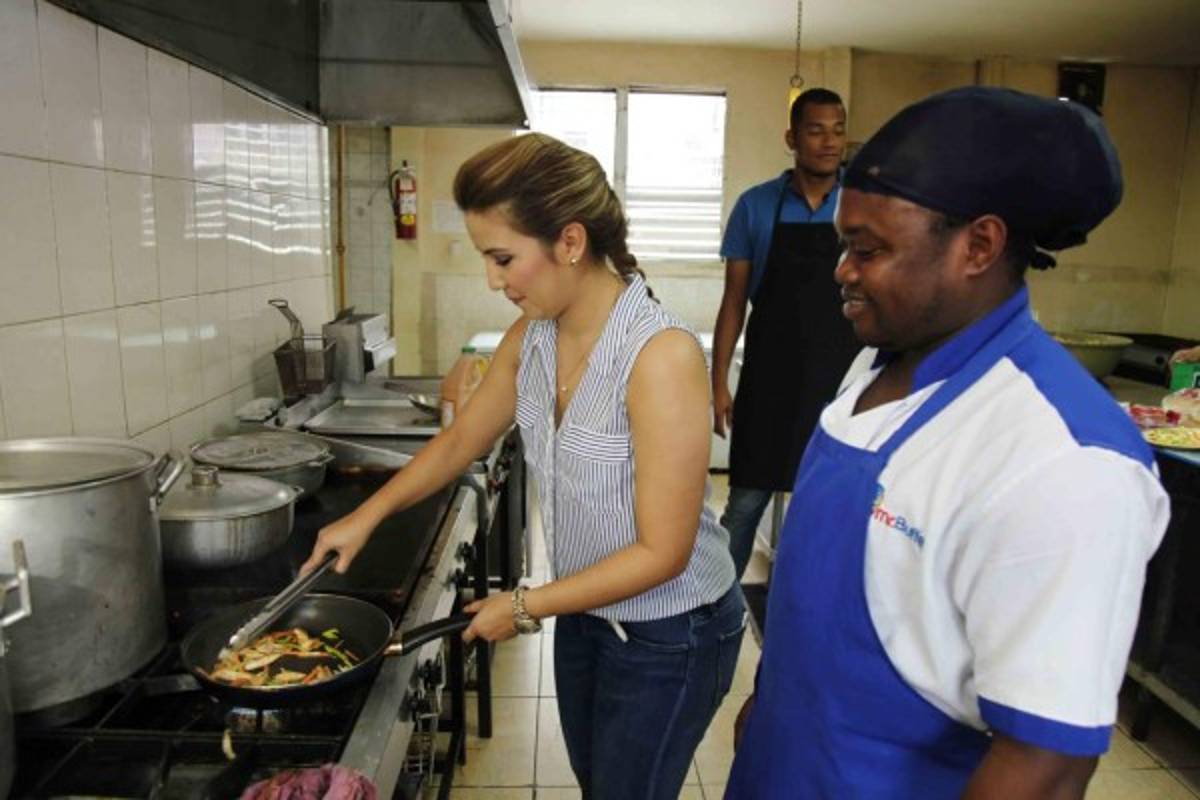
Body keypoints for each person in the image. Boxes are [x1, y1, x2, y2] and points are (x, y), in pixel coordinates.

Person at [725, 87, 1170, 798]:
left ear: (979, 246)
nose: (843, 269)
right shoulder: (873, 363)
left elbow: (1045, 766)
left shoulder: (1062, 459)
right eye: (845, 244)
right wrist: (768, 701)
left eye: (867, 250)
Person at [302, 133, 745, 800]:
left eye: (503, 258)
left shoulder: (659, 356)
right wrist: (364, 518)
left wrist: (523, 605)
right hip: (587, 609)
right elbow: (459, 445)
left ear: (570, 241)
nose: (493, 280)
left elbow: (664, 552)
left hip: (672, 630)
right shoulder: (531, 337)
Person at [712, 88, 861, 579]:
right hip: (769, 379)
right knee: (745, 503)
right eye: (816, 130)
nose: (829, 141)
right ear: (791, 138)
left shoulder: (863, 205)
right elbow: (734, 302)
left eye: (837, 130)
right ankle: (714, 607)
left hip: (842, 383)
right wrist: (717, 386)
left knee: (831, 508)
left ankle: (813, 606)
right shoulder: (756, 206)